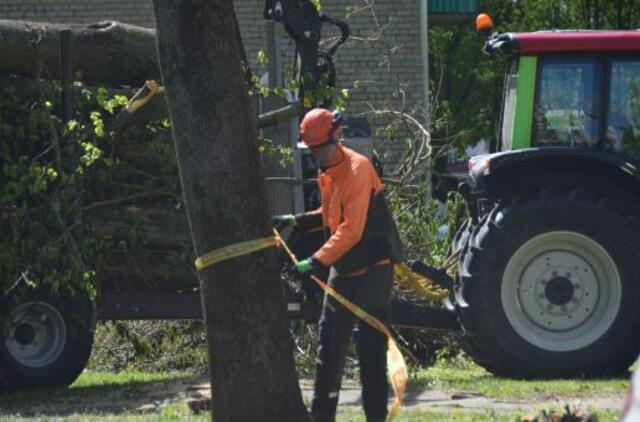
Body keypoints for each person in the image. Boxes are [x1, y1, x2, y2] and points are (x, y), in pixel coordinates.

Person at [289, 107, 404, 422]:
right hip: (345, 265)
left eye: (320, 149)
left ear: (337, 136)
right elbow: (330, 217)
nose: (316, 156)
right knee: (329, 344)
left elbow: (351, 229)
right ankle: (321, 417)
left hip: (374, 268)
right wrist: (297, 222)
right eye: (311, 151)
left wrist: (314, 261)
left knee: (370, 349)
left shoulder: (358, 169)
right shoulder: (326, 171)